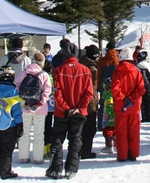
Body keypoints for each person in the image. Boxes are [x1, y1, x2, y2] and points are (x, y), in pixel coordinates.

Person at [46, 42, 93, 180]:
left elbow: (57, 93)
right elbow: (89, 93)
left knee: (58, 139)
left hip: (62, 113)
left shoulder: (58, 70)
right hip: (79, 112)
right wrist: (80, 108)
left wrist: (66, 109)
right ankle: (71, 169)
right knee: (75, 139)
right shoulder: (85, 70)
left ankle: (55, 168)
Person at [14, 51, 52, 165]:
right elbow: (47, 91)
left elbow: (16, 87)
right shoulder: (44, 74)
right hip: (40, 109)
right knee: (39, 134)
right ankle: (38, 157)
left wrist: (23, 102)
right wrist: (40, 103)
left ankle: (24, 157)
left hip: (25, 107)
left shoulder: (24, 73)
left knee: (24, 133)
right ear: (42, 63)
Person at [111, 47, 145, 162]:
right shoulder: (136, 71)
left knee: (121, 132)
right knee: (134, 131)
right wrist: (131, 98)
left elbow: (115, 89)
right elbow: (141, 88)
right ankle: (133, 154)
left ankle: (122, 156)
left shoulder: (117, 71)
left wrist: (123, 99)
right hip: (134, 107)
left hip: (121, 107)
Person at [0, 65, 24, 179]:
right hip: (10, 124)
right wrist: (20, 124)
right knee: (8, 148)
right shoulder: (13, 92)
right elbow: (16, 111)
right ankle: (6, 171)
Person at [78, 44, 100, 159]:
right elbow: (92, 87)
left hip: (79, 99)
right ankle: (86, 150)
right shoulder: (92, 69)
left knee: (82, 127)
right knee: (90, 127)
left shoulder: (80, 64)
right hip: (89, 100)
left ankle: (80, 149)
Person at [96, 41, 119, 130]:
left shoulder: (102, 60)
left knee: (103, 104)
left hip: (104, 86)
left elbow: (99, 75)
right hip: (115, 85)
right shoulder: (117, 60)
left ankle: (101, 125)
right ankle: (114, 124)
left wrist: (98, 86)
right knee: (115, 105)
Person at [135, 50, 150, 123]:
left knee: (141, 102)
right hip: (148, 86)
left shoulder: (138, 66)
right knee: (148, 101)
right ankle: (149, 115)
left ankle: (143, 116)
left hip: (141, 86)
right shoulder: (148, 65)